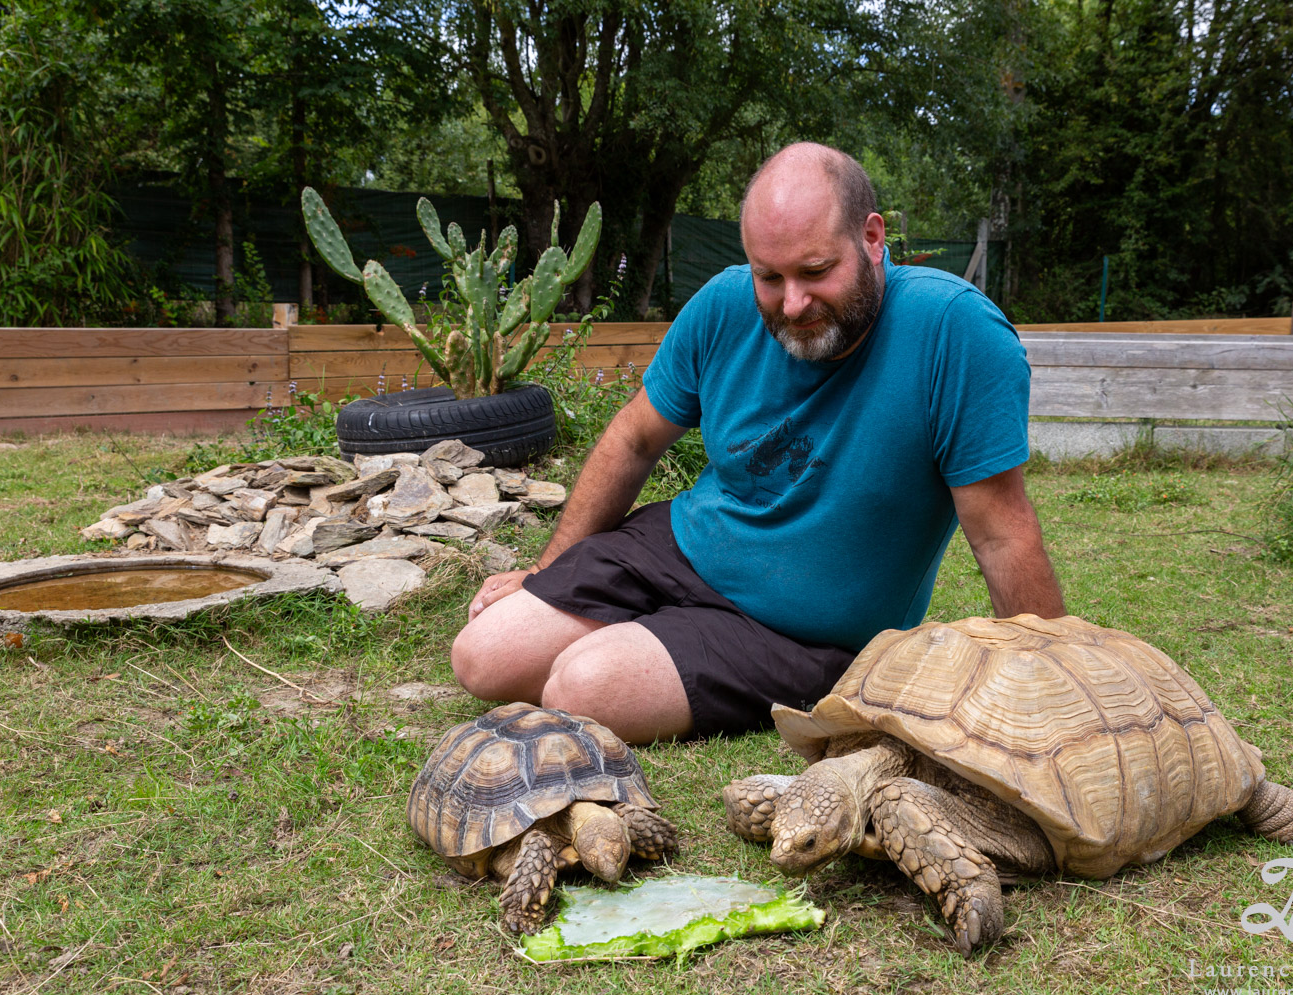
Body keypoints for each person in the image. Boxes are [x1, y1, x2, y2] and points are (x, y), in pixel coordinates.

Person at [451, 142, 1064, 744]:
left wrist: (1060, 684)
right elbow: (635, 438)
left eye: (816, 272)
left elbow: (1000, 530)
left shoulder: (955, 333)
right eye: (769, 277)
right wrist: (547, 566)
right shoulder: (722, 304)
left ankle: (644, 648)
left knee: (582, 688)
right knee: (481, 658)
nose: (792, 304)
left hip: (804, 635)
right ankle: (647, 635)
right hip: (683, 547)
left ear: (873, 239)